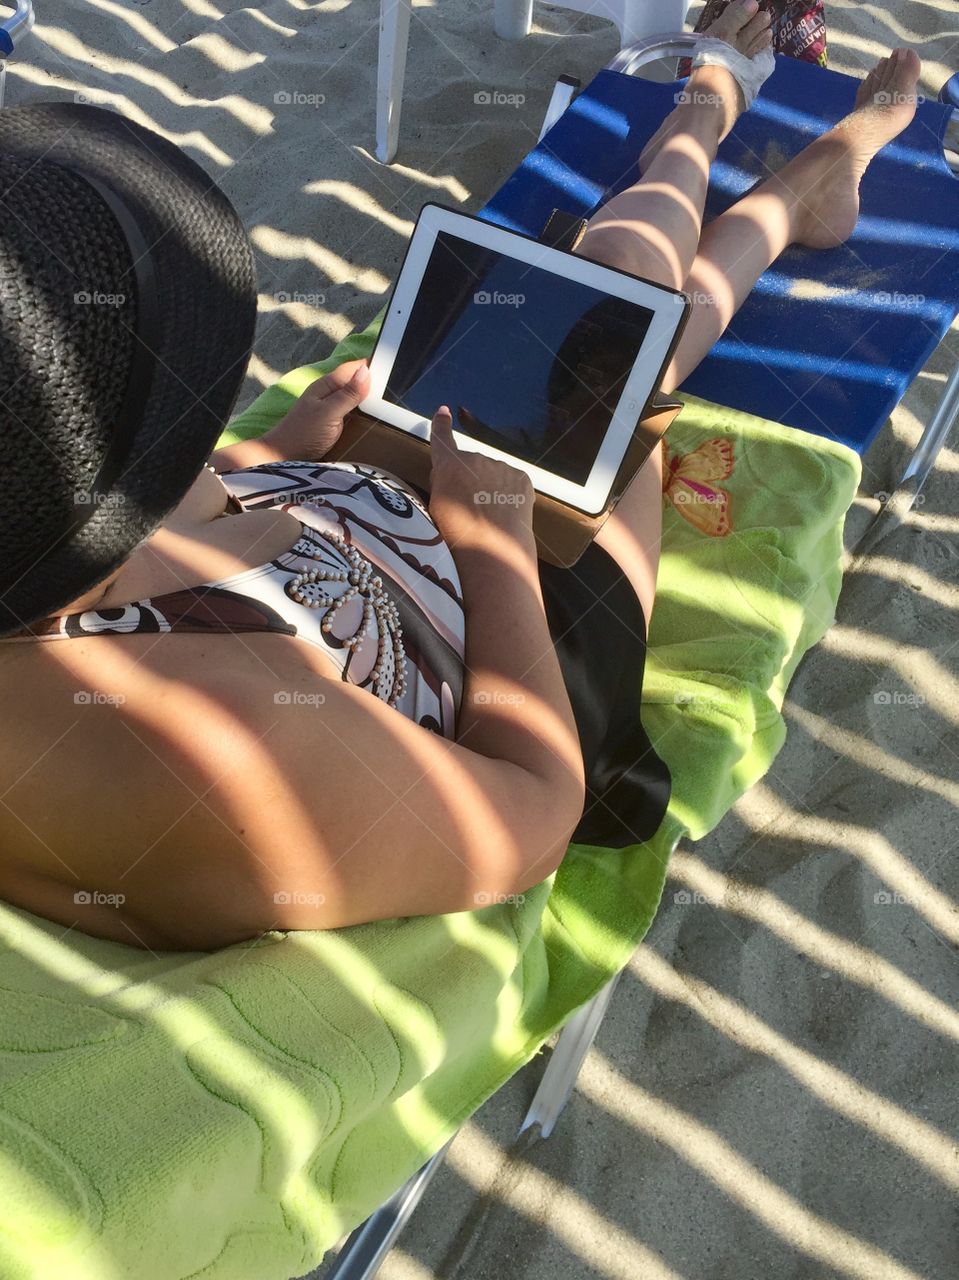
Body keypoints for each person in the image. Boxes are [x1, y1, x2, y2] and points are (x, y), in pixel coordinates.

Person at [0, 0, 922, 950]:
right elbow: (532, 814)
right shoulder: (219, 750)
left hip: (341, 506)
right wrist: (494, 543)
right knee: (615, 323)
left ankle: (742, 143)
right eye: (174, 421)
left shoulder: (38, 544)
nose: (196, 429)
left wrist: (273, 454)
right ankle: (726, 121)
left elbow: (149, 535)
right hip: (526, 619)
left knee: (609, 307)